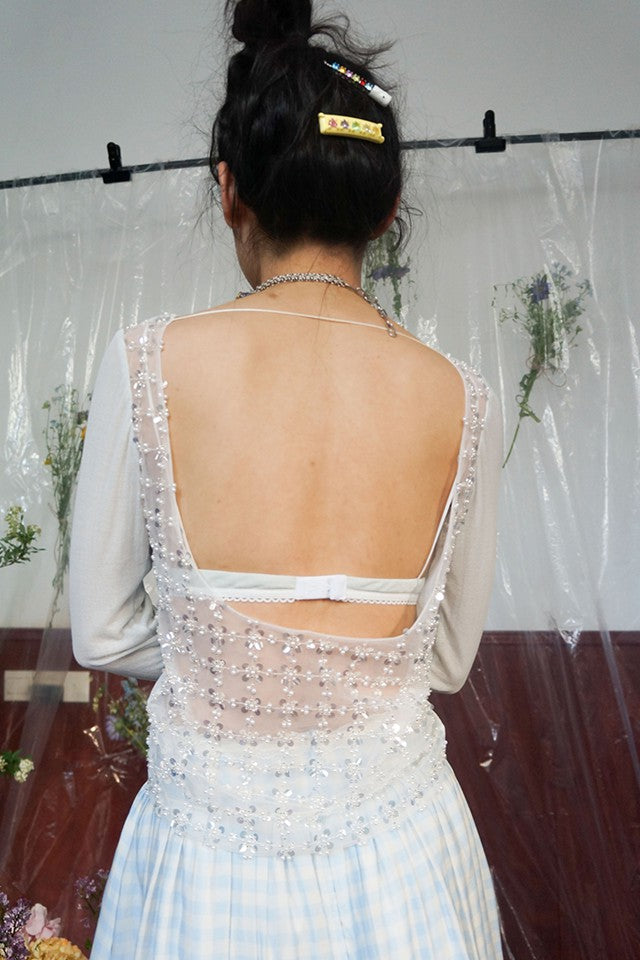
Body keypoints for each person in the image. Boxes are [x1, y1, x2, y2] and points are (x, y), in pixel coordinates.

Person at [69, 1, 503, 956]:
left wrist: (235, 664)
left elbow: (100, 631)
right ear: (387, 207)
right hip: (408, 859)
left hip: (205, 866)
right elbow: (444, 662)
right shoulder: (465, 397)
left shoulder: (147, 363)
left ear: (229, 188)